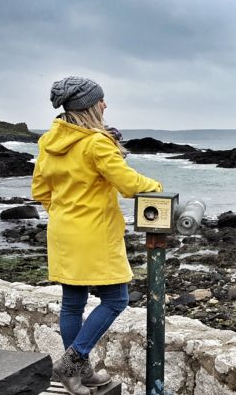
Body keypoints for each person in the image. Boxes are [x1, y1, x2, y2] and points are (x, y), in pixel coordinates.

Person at [32, 76, 162, 394]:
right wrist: (157, 188)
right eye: (101, 100)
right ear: (90, 106)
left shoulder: (49, 141)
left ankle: (79, 373)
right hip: (95, 235)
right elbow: (129, 185)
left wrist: (67, 214)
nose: (105, 104)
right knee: (116, 299)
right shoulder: (96, 142)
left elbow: (40, 191)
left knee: (72, 304)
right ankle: (72, 362)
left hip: (63, 233)